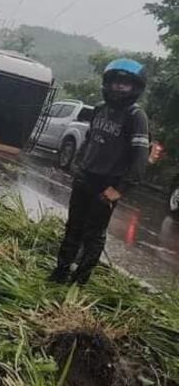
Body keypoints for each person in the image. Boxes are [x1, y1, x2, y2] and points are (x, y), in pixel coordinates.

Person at [49, 58, 150, 285]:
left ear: (135, 88)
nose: (118, 87)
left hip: (107, 186)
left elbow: (140, 159)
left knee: (93, 234)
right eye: (114, 82)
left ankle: (80, 280)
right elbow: (89, 141)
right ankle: (60, 271)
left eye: (124, 84)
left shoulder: (136, 116)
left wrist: (119, 189)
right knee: (73, 226)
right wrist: (78, 166)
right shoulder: (100, 109)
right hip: (85, 178)